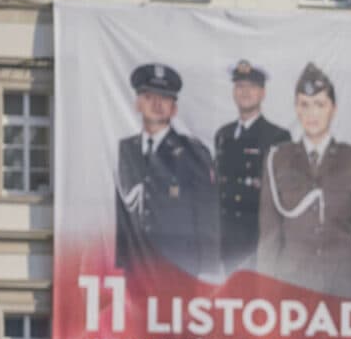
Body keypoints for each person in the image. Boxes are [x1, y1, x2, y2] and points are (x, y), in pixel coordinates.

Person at [257, 63, 351, 301]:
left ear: (333, 109)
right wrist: (265, 299)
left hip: (343, 291)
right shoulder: (277, 160)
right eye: (304, 105)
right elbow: (269, 239)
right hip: (291, 290)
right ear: (296, 109)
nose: (312, 113)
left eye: (319, 105)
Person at [114, 63, 220, 279]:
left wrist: (208, 270)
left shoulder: (193, 151)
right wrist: (122, 263)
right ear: (137, 104)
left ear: (174, 108)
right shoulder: (126, 149)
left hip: (180, 265)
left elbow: (207, 215)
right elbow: (122, 209)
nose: (157, 104)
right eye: (149, 97)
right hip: (138, 266)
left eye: (164, 98)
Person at [214, 60, 291, 272]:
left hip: (258, 240)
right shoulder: (223, 135)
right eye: (239, 86)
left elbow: (282, 196)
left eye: (251, 87)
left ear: (263, 93)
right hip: (227, 240)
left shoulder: (277, 136)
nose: (244, 92)